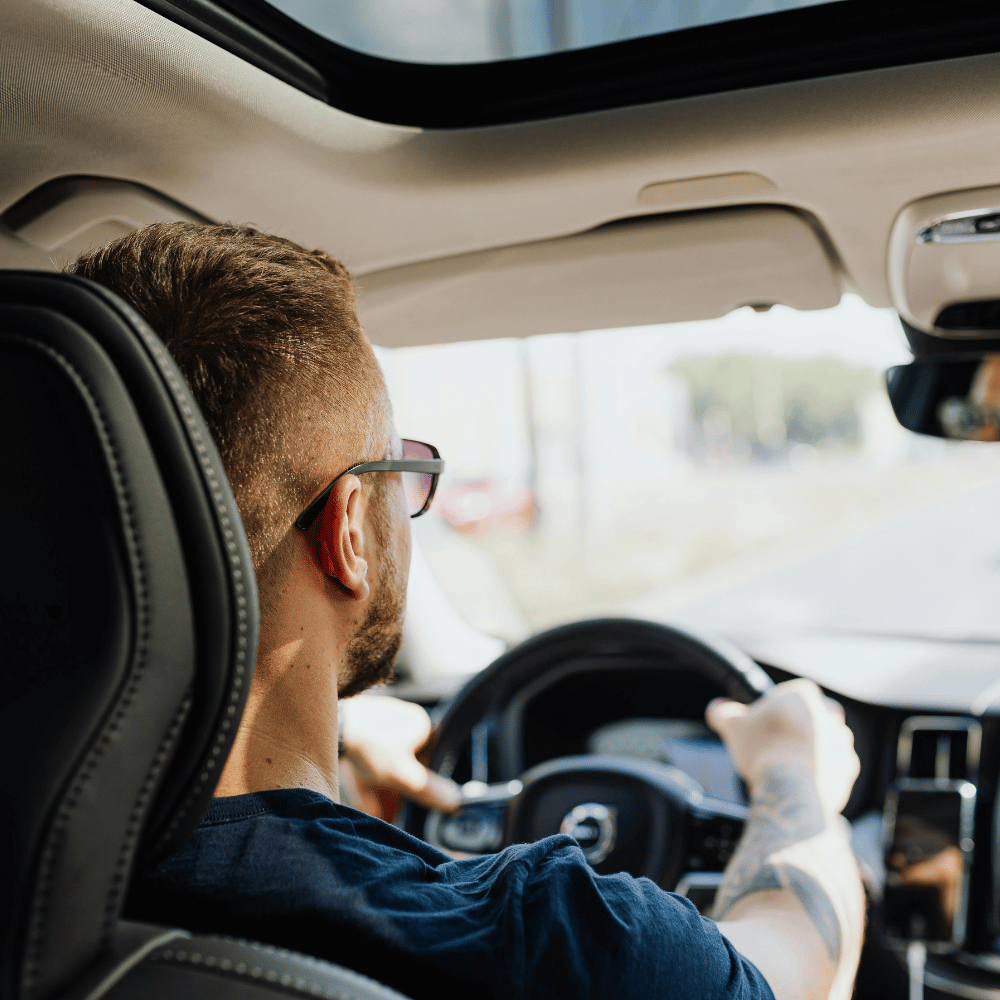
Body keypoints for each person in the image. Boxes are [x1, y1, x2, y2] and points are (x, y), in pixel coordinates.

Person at [68, 223, 865, 1000]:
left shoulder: (46, 880)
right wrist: (795, 777)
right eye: (402, 472)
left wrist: (329, 750)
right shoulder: (550, 944)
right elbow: (801, 963)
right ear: (348, 531)